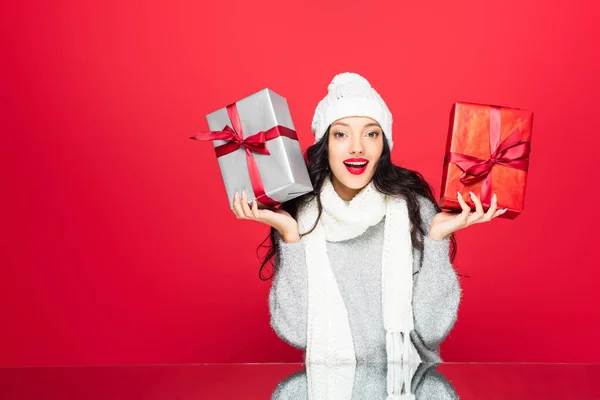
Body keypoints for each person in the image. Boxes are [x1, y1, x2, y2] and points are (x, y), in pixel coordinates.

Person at [232, 72, 505, 363]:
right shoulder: (301, 218)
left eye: (371, 133)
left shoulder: (416, 210)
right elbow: (297, 333)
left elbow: (433, 331)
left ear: (383, 145)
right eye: (341, 134)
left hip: (408, 386)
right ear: (325, 144)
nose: (357, 147)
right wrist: (289, 234)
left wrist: (437, 239)